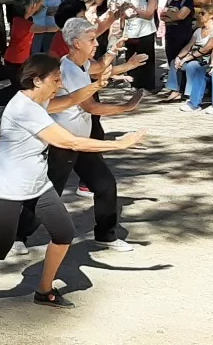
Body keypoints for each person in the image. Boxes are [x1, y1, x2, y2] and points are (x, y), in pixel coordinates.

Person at [0, 54, 145, 315]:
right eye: (56, 80)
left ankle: (44, 290)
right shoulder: (24, 109)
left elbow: (70, 100)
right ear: (36, 81)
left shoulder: (37, 100)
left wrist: (96, 86)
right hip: (9, 184)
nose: (59, 84)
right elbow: (71, 142)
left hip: (36, 181)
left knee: (63, 233)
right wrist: (118, 144)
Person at [50, 19, 145, 251]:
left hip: (82, 143)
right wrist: (125, 107)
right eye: (91, 40)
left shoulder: (81, 64)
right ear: (75, 43)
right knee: (48, 196)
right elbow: (91, 107)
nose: (95, 43)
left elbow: (100, 67)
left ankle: (106, 235)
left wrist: (122, 58)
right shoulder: (68, 69)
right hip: (62, 143)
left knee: (105, 185)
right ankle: (17, 237)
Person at [117, 0, 158, 93]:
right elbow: (122, 10)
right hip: (130, 32)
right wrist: (123, 14)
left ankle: (147, 86)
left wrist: (135, 9)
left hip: (145, 32)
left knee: (146, 60)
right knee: (130, 58)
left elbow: (149, 14)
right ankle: (133, 83)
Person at [160, 0, 196, 101]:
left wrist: (171, 15)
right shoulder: (169, 0)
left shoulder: (188, 0)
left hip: (183, 35)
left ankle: (178, 90)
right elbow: (162, 16)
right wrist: (173, 15)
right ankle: (176, 88)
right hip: (170, 34)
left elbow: (182, 16)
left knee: (179, 60)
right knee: (171, 60)